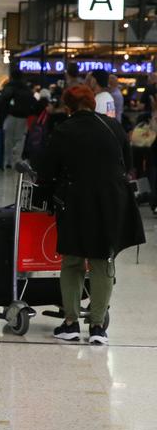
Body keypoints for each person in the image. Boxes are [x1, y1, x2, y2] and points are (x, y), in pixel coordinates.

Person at [38, 84, 145, 345]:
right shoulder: (114, 127)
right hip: (111, 202)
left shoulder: (64, 130)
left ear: (68, 107)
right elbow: (128, 165)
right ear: (93, 104)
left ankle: (71, 323)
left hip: (75, 202)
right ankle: (98, 327)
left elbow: (47, 170)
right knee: (102, 261)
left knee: (73, 261)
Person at [0, 69, 37, 169]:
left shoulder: (9, 86)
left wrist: (1, 111)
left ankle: (7, 161)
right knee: (20, 139)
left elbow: (3, 100)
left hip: (10, 116)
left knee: (8, 139)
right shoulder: (26, 88)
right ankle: (17, 160)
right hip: (23, 118)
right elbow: (33, 103)